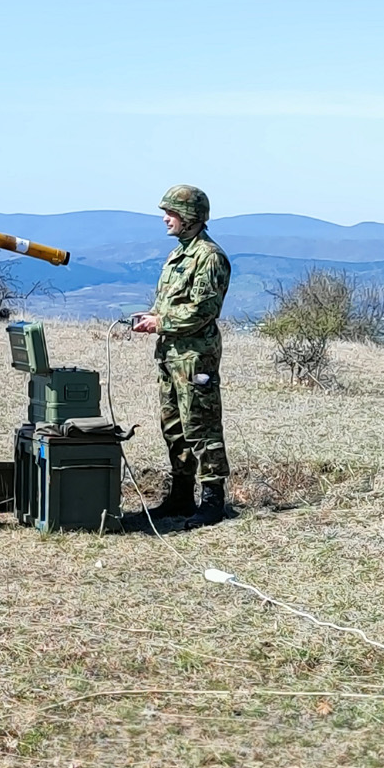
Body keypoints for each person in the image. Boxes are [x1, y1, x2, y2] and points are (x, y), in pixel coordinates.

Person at [130, 184, 232, 529]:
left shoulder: (209, 257)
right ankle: (181, 495)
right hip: (171, 355)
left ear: (189, 218)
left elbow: (204, 310)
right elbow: (174, 302)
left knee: (200, 426)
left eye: (171, 213)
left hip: (194, 357)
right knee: (173, 427)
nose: (165, 219)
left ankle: (213, 500)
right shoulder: (179, 254)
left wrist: (162, 322)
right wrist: (153, 316)